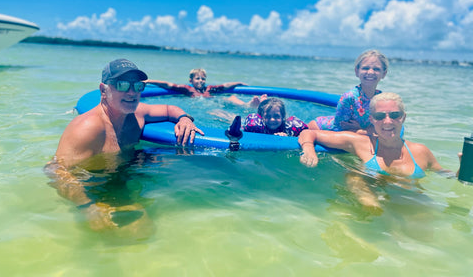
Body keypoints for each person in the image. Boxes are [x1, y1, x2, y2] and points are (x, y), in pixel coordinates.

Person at [45, 58, 204, 232]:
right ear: (103, 90)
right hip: (94, 188)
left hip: (124, 175)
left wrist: (185, 119)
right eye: (122, 85)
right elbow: (55, 170)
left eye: (137, 86)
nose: (131, 92)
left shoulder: (138, 114)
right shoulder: (88, 128)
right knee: (137, 232)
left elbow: (168, 109)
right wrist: (87, 206)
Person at [299, 92, 454, 210]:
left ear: (403, 118)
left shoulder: (420, 151)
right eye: (380, 116)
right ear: (372, 120)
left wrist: (464, 172)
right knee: (355, 179)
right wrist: (308, 150)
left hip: (410, 202)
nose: (387, 121)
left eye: (395, 115)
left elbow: (445, 175)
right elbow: (309, 133)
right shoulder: (360, 143)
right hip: (373, 203)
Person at [309, 50, 388, 134]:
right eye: (365, 68)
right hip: (320, 128)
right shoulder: (350, 98)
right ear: (357, 71)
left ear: (384, 73)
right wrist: (362, 131)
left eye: (376, 69)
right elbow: (338, 130)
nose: (370, 72)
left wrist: (361, 129)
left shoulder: (381, 98)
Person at [145, 68, 265, 108]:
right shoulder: (187, 89)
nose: (201, 81)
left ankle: (247, 105)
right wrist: (148, 81)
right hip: (201, 106)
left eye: (203, 79)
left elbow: (224, 86)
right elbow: (167, 84)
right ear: (191, 80)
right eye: (197, 79)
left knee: (231, 97)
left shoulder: (209, 89)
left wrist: (237, 83)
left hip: (213, 102)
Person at [243, 97, 308, 137]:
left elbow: (306, 136)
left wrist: (288, 137)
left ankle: (262, 103)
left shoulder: (292, 127)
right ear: (261, 117)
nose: (272, 120)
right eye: (267, 116)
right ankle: (251, 105)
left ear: (283, 116)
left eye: (277, 116)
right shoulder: (254, 125)